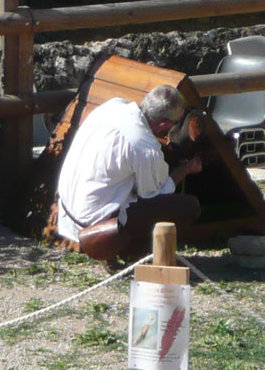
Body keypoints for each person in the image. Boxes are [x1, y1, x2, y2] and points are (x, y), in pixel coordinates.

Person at [56, 84, 202, 264]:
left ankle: (118, 248)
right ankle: (129, 252)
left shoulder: (112, 106)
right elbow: (156, 193)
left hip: (68, 209)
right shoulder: (144, 146)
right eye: (175, 123)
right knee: (189, 206)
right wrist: (185, 170)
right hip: (94, 224)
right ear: (163, 124)